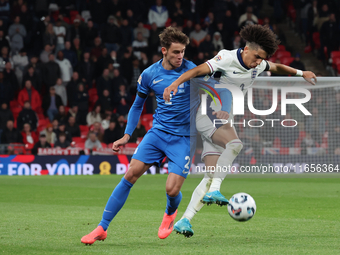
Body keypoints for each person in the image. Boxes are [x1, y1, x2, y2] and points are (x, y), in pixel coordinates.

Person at [163, 24, 317, 237]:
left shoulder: (258, 64)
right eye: (256, 57)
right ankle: (216, 189)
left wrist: (301, 73)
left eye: (261, 59)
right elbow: (198, 70)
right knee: (235, 144)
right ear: (246, 49)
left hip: (224, 119)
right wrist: (174, 84)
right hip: (209, 113)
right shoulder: (226, 57)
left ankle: (185, 220)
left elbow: (277, 67)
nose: (258, 63)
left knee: (209, 174)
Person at [81, 26, 199, 245]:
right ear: (164, 50)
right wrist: (127, 135)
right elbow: (137, 105)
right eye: (175, 52)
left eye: (183, 51)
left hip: (183, 138)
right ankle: (102, 227)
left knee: (172, 190)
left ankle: (169, 214)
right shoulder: (150, 74)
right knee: (130, 174)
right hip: (158, 133)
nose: (180, 56)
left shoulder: (191, 71)